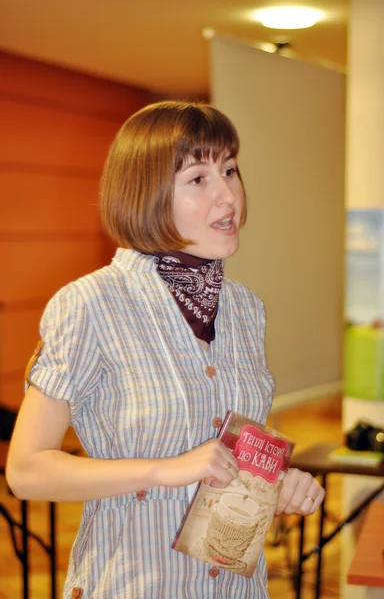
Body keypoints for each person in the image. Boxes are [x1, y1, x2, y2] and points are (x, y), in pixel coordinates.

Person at [6, 101, 325, 598]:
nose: (228, 195)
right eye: (199, 179)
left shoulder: (245, 309)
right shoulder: (91, 304)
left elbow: (231, 454)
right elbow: (26, 470)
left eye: (230, 170)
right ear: (147, 194)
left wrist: (273, 487)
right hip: (135, 582)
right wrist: (164, 469)